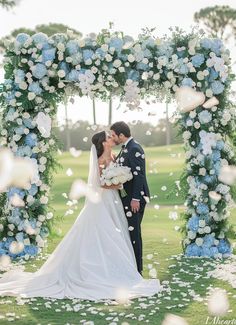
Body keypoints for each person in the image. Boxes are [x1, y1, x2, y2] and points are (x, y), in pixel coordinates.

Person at [0, 131, 160, 300]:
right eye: (108, 137)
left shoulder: (114, 155)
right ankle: (97, 269)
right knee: (102, 231)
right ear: (104, 143)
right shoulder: (101, 160)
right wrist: (117, 184)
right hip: (102, 201)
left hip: (114, 202)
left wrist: (120, 179)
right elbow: (100, 183)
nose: (112, 138)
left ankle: (111, 265)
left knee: (116, 232)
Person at [110, 122, 150, 275]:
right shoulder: (126, 148)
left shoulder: (134, 149)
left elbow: (138, 176)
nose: (113, 138)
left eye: (114, 135)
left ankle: (138, 271)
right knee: (129, 233)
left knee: (134, 233)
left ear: (121, 135)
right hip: (127, 198)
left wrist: (135, 199)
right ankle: (130, 268)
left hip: (135, 199)